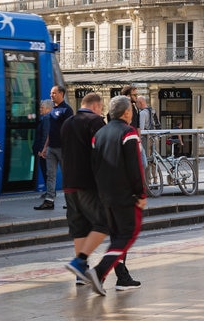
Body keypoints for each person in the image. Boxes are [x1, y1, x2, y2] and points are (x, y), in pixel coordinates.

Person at [61, 93, 139, 291]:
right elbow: (103, 152)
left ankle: (81, 274)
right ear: (96, 107)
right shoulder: (96, 122)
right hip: (91, 184)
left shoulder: (67, 122)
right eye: (101, 107)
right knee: (109, 226)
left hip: (69, 183)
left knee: (79, 227)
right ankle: (105, 271)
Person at [88, 95, 147, 296]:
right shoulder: (128, 133)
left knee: (117, 236)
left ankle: (122, 277)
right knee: (126, 234)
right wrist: (141, 192)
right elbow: (135, 167)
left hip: (104, 194)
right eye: (131, 109)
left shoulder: (99, 134)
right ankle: (98, 271)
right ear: (127, 112)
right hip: (124, 194)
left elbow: (93, 167)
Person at [36, 84, 73, 210]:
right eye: (51, 93)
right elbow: (50, 132)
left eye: (54, 93)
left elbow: (69, 131)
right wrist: (45, 147)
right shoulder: (52, 110)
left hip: (63, 148)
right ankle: (49, 200)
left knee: (66, 175)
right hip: (51, 148)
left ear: (61, 94)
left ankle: (70, 201)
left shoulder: (67, 110)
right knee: (50, 175)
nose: (51, 95)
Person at [32, 99, 52, 193]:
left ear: (48, 108)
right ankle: (49, 191)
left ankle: (50, 192)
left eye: (42, 107)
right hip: (44, 150)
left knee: (46, 172)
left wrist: (41, 149)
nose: (40, 109)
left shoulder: (47, 118)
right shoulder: (46, 118)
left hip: (44, 151)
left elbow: (45, 134)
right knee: (46, 172)